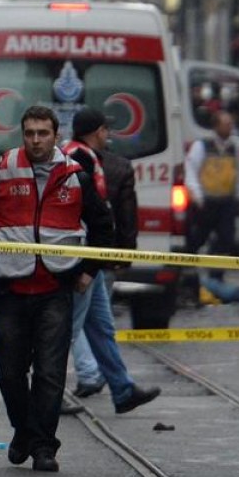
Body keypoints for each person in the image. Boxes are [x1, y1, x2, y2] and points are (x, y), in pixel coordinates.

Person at [0, 105, 114, 473]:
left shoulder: (74, 174)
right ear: (22, 134)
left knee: (49, 372)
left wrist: (89, 271)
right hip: (11, 287)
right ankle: (23, 432)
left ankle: (44, 446)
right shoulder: (3, 168)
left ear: (56, 135)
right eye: (29, 133)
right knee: (10, 372)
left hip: (55, 288)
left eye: (42, 133)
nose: (35, 140)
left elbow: (103, 226)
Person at [62, 108, 161, 414]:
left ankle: (122, 389)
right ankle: (47, 393)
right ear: (96, 131)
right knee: (66, 330)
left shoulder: (76, 154)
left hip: (93, 258)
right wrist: (93, 260)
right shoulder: (81, 159)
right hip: (86, 257)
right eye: (106, 130)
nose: (108, 136)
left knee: (101, 327)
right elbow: (91, 212)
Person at [184, 111, 239, 276]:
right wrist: (197, 196)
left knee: (226, 240)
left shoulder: (233, 149)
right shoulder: (202, 147)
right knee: (196, 240)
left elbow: (238, 174)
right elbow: (191, 170)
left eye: (231, 125)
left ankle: (216, 275)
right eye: (226, 125)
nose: (230, 128)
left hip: (226, 203)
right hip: (206, 203)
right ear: (216, 126)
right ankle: (188, 275)